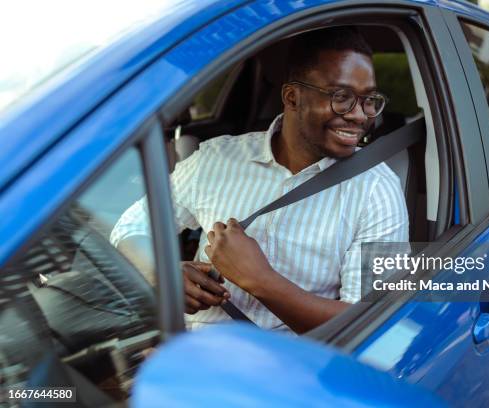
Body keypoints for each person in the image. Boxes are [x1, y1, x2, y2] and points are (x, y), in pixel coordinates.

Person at [110, 27, 409, 334]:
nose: (360, 116)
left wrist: (260, 279)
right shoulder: (216, 159)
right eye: (342, 97)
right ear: (292, 97)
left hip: (288, 369)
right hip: (193, 353)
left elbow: (370, 322)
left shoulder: (376, 190)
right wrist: (163, 274)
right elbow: (131, 227)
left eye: (369, 99)